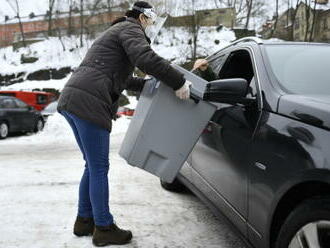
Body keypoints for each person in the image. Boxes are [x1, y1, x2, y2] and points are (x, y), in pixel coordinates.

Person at [56, 1, 191, 246]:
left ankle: (84, 220)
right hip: (89, 102)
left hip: (73, 99)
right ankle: (104, 227)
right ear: (142, 17)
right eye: (150, 21)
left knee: (91, 165)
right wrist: (177, 80)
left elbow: (123, 78)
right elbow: (145, 58)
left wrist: (151, 85)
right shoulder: (130, 29)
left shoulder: (115, 31)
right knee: (98, 167)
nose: (151, 26)